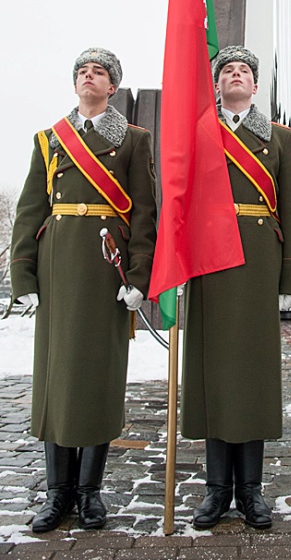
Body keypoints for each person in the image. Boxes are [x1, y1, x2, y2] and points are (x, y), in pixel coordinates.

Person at [10, 48, 157, 533]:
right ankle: (58, 493)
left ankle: (91, 492)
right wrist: (24, 277)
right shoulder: (50, 139)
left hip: (104, 267)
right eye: (81, 71)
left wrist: (138, 277)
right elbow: (31, 211)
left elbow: (142, 214)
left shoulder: (135, 140)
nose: (88, 77)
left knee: (98, 374)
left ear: (112, 86)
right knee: (56, 377)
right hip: (58, 266)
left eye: (98, 72)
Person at [181, 45, 291, 530]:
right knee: (213, 372)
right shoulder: (199, 132)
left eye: (245, 71)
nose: (236, 75)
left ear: (256, 85)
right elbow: (180, 197)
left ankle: (251, 491)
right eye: (228, 70)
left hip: (257, 260)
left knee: (252, 375)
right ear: (218, 83)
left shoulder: (279, 138)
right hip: (209, 260)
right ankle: (216, 491)